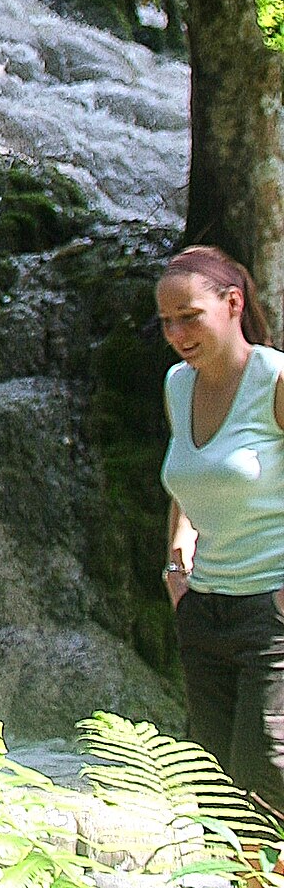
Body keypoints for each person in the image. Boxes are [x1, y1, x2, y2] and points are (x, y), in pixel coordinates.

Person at [158, 242, 284, 809]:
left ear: (233, 304)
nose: (178, 333)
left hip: (271, 614)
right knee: (216, 790)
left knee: (269, 776)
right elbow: (187, 476)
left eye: (190, 317)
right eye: (167, 322)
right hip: (204, 609)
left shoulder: (274, 380)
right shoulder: (177, 385)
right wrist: (176, 562)